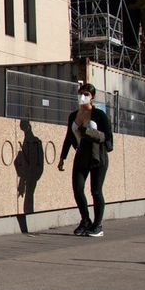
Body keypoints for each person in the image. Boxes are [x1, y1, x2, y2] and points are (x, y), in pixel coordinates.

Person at [57, 83, 113, 237]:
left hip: (98, 156)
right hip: (81, 155)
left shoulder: (100, 115)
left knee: (96, 191)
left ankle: (98, 225)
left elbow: (108, 139)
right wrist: (63, 157)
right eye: (81, 93)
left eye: (86, 94)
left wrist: (87, 132)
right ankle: (85, 220)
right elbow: (69, 137)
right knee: (77, 188)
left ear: (92, 97)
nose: (83, 96)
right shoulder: (73, 116)